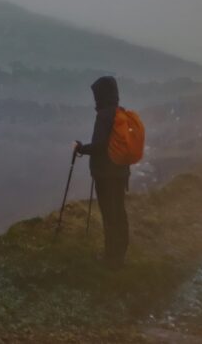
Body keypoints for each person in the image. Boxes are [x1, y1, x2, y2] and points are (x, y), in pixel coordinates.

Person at [73, 76, 130, 269]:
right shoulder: (119, 113)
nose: (95, 99)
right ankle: (120, 255)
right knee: (119, 213)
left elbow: (99, 146)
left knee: (109, 215)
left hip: (106, 175)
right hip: (121, 173)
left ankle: (111, 259)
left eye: (96, 94)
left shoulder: (104, 116)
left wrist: (81, 148)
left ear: (102, 95)